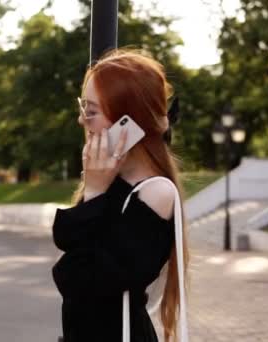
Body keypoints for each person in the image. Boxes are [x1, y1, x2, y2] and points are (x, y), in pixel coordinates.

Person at [52, 49, 189, 342]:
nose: (81, 120)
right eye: (82, 108)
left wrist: (95, 191)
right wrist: (95, 189)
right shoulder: (110, 180)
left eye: (91, 111)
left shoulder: (156, 193)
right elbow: (66, 240)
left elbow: (80, 280)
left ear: (130, 121)